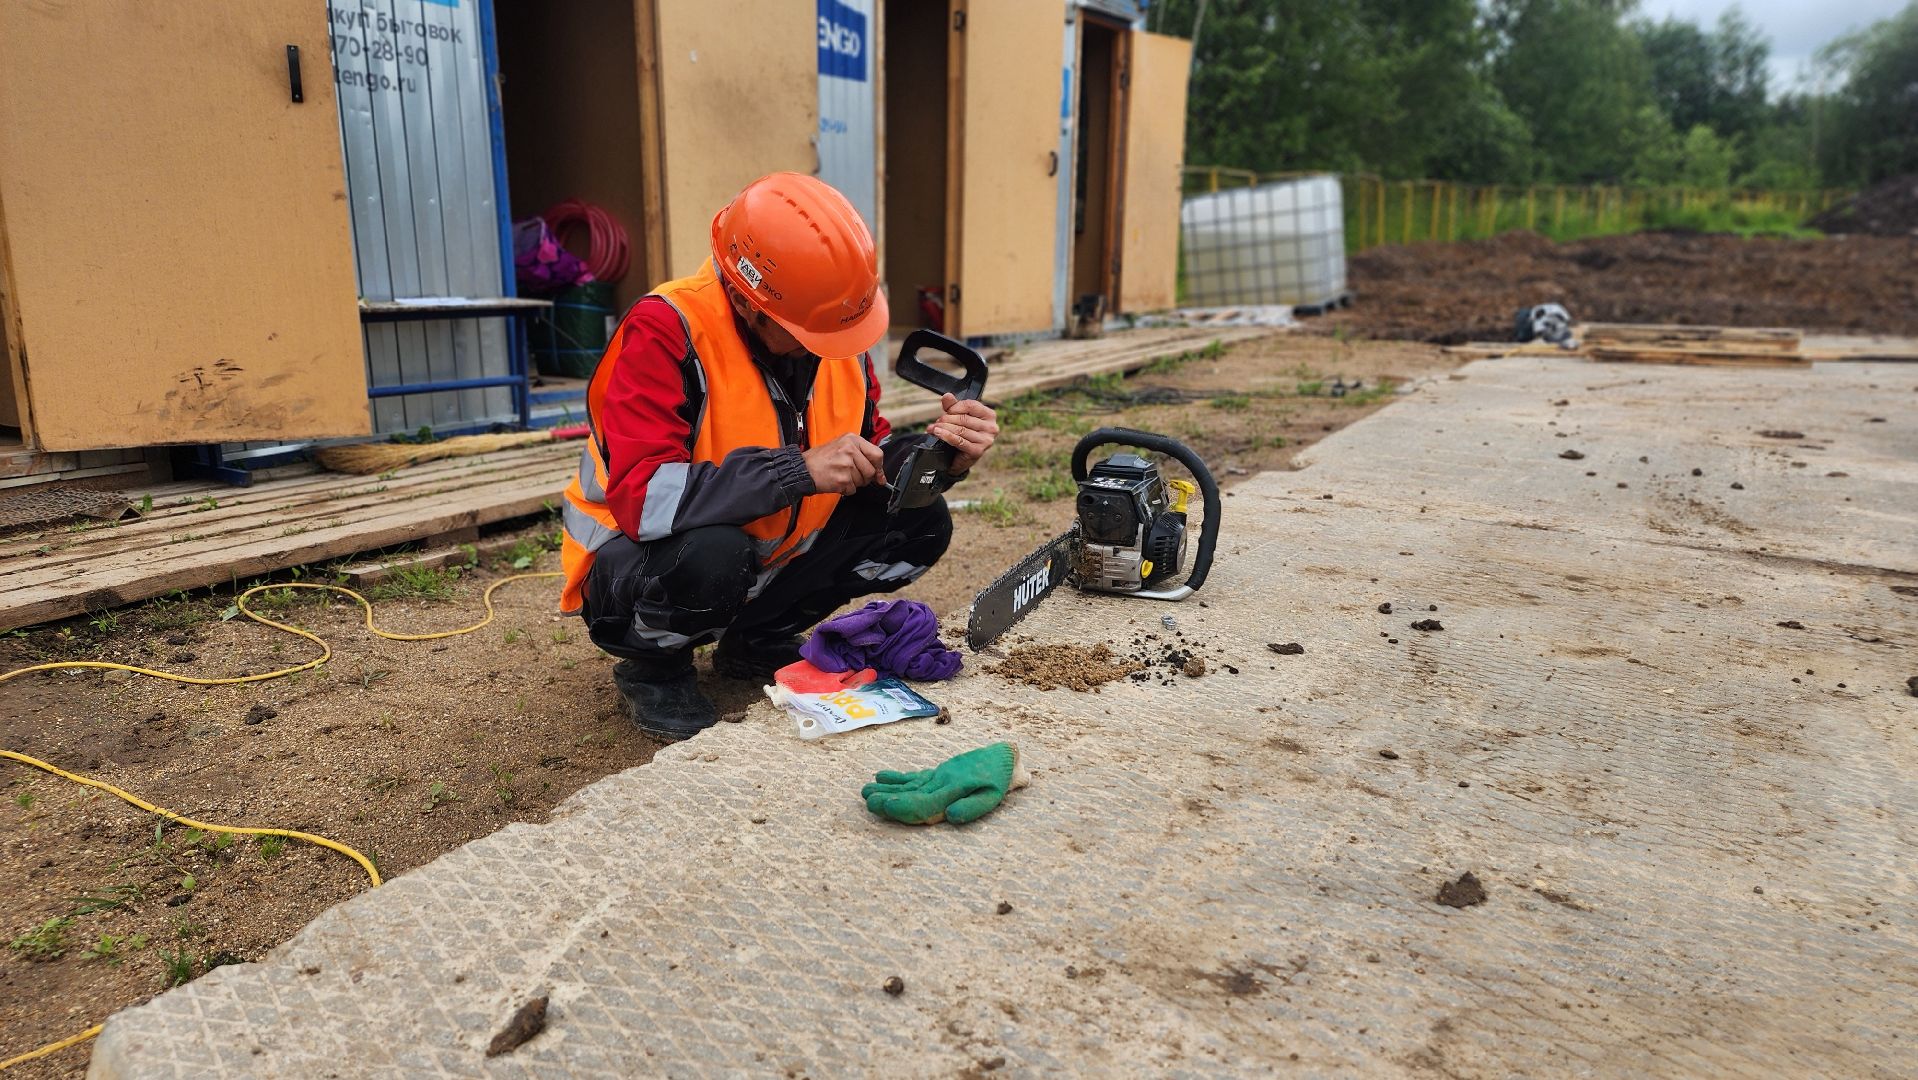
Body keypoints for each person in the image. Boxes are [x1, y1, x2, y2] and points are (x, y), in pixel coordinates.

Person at [558, 173, 997, 740]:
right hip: (635, 566)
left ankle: (756, 639)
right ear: (748, 301)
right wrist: (800, 470)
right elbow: (645, 501)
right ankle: (655, 665)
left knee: (919, 523)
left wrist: (941, 457)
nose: (827, 349)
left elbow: (869, 450)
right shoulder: (665, 330)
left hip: (764, 553)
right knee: (712, 553)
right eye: (810, 334)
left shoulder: (828, 330)